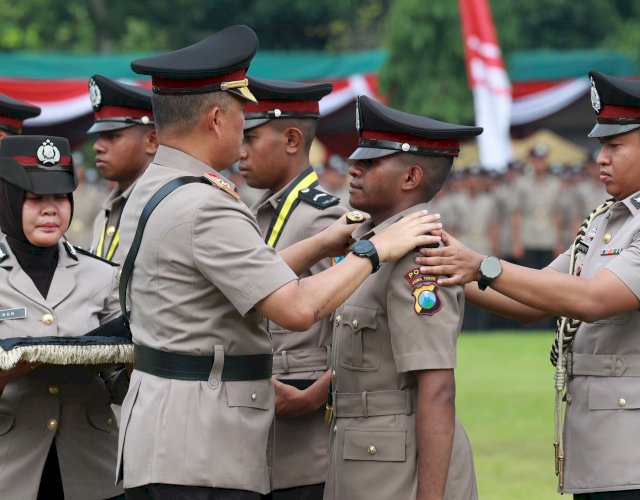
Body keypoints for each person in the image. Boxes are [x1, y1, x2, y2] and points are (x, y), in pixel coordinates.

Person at [116, 26, 441, 500]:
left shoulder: (156, 186)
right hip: (202, 451)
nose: (242, 128)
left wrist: (322, 242)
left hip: (164, 438)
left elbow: (240, 279)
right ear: (215, 119)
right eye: (241, 115)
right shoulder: (208, 204)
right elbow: (295, 309)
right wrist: (375, 251)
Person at [418, 70, 640, 499]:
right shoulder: (608, 220)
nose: (600, 157)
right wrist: (439, 264)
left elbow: (595, 300)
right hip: (605, 452)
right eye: (601, 146)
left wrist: (481, 265)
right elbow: (533, 299)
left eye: (615, 145)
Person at [323, 95, 480, 500]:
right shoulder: (371, 245)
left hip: (397, 466)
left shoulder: (418, 256)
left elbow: (437, 388)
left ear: (410, 178)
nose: (352, 168)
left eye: (371, 163)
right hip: (362, 455)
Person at [237, 76, 345, 499]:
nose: (238, 151)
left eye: (251, 138)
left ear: (292, 139)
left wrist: (319, 394)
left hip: (303, 445)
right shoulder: (256, 213)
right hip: (255, 429)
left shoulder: (322, 221)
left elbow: (358, 326)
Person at [0, 135, 125, 499]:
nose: (51, 210)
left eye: (60, 197)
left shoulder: (102, 275)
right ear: (7, 200)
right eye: (35, 198)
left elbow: (122, 386)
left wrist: (136, 362)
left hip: (92, 469)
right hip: (11, 470)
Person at [87, 74, 158, 264]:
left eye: (111, 136)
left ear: (152, 141)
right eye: (99, 136)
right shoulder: (107, 211)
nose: (97, 146)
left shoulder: (166, 207)